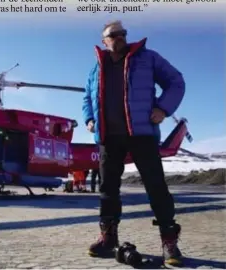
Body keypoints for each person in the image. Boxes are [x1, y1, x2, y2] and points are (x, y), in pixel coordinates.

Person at [82, 20, 185, 267]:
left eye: (122, 33)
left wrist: (163, 108)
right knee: (107, 189)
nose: (119, 37)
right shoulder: (97, 67)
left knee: (156, 187)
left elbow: (176, 81)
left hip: (142, 134)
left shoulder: (147, 58)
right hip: (108, 137)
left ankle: (169, 241)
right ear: (104, 40)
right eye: (113, 34)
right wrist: (89, 118)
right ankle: (108, 238)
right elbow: (87, 96)